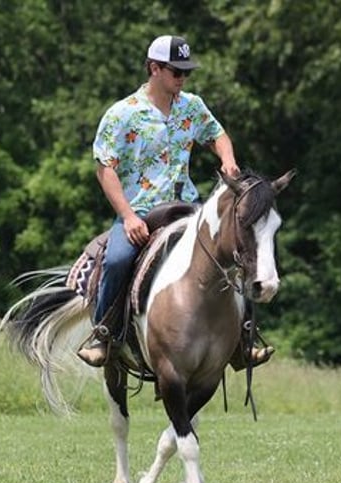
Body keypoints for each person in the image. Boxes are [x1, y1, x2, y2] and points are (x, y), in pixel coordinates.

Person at [77, 34, 274, 368]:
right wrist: (127, 217)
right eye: (176, 71)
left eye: (186, 72)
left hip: (187, 209)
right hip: (141, 212)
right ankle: (103, 335)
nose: (182, 78)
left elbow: (218, 136)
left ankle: (243, 339)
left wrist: (227, 159)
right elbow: (105, 170)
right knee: (116, 261)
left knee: (236, 248)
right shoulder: (122, 114)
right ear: (154, 68)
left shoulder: (191, 106)